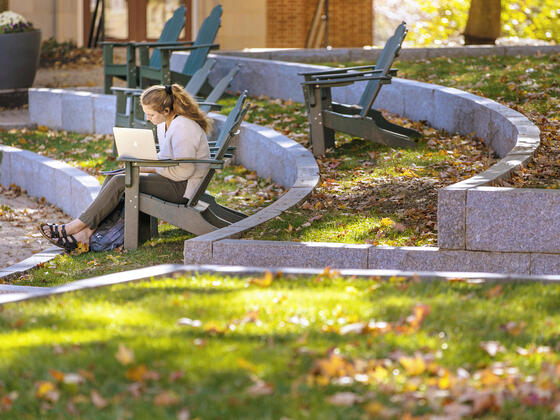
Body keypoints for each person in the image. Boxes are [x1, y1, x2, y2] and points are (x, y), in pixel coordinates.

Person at [39, 83, 212, 251]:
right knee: (116, 176)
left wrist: (149, 168)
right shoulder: (165, 124)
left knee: (121, 181)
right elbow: (168, 158)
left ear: (166, 110)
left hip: (184, 188)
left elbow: (185, 170)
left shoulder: (184, 127)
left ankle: (75, 226)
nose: (147, 118)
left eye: (150, 114)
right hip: (172, 180)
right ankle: (86, 232)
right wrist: (143, 160)